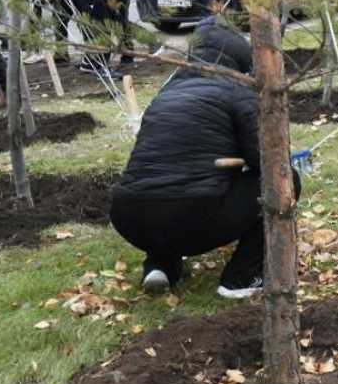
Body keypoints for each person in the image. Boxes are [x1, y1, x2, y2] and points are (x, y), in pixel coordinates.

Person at [110, 15, 300, 298]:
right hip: (194, 213)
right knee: (286, 178)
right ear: (240, 57)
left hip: (128, 216)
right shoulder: (235, 91)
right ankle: (242, 278)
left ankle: (159, 266)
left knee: (163, 191)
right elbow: (267, 160)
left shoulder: (165, 95)